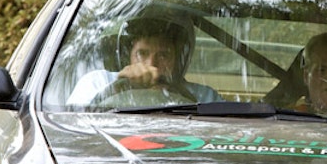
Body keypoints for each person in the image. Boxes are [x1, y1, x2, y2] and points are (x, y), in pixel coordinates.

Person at [70, 15, 218, 106]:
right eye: (142, 53)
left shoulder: (204, 96)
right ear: (128, 55)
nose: (152, 65)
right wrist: (119, 88)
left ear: (178, 60)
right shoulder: (97, 82)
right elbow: (70, 126)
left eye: (163, 56)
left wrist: (177, 92)